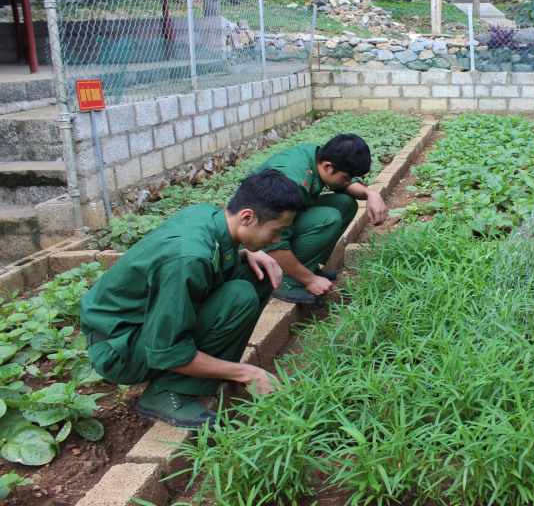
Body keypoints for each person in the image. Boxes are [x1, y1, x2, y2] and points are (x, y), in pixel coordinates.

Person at [79, 170, 306, 429]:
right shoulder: (189, 258)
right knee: (239, 297)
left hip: (140, 325)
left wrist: (245, 252)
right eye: (275, 232)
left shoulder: (210, 215)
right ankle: (165, 392)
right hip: (120, 348)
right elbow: (169, 351)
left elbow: (212, 256)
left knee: (259, 275)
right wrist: (247, 373)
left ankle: (199, 376)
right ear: (247, 217)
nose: (277, 241)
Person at [257, 134, 387, 304]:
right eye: (345, 177)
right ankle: (285, 279)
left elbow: (346, 184)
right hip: (258, 238)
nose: (347, 182)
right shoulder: (292, 182)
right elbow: (274, 242)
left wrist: (371, 194)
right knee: (329, 218)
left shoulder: (317, 155)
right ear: (327, 166)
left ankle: (306, 266)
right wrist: (309, 280)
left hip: (281, 218)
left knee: (345, 203)